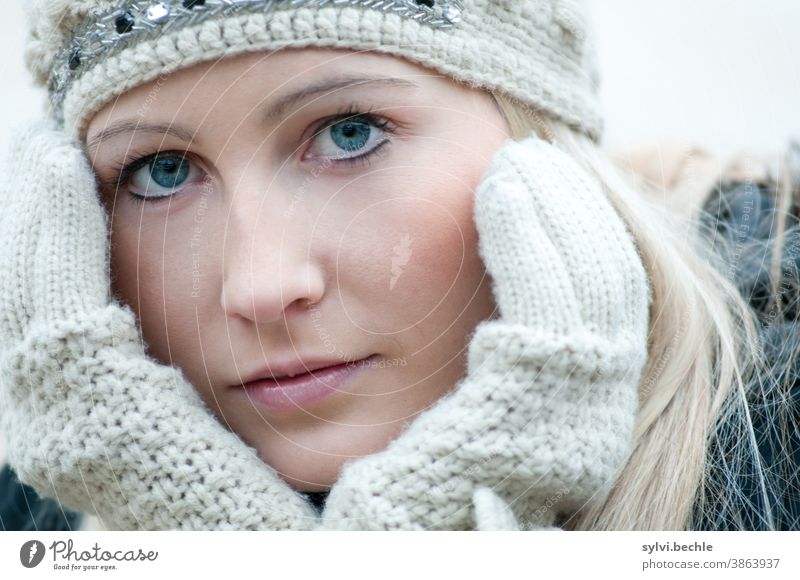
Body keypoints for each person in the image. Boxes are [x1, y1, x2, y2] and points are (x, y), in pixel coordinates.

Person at [0, 0, 792, 530]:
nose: (262, 286)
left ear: (543, 149)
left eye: (349, 133)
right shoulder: (31, 513)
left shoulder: (775, 459)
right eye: (161, 172)